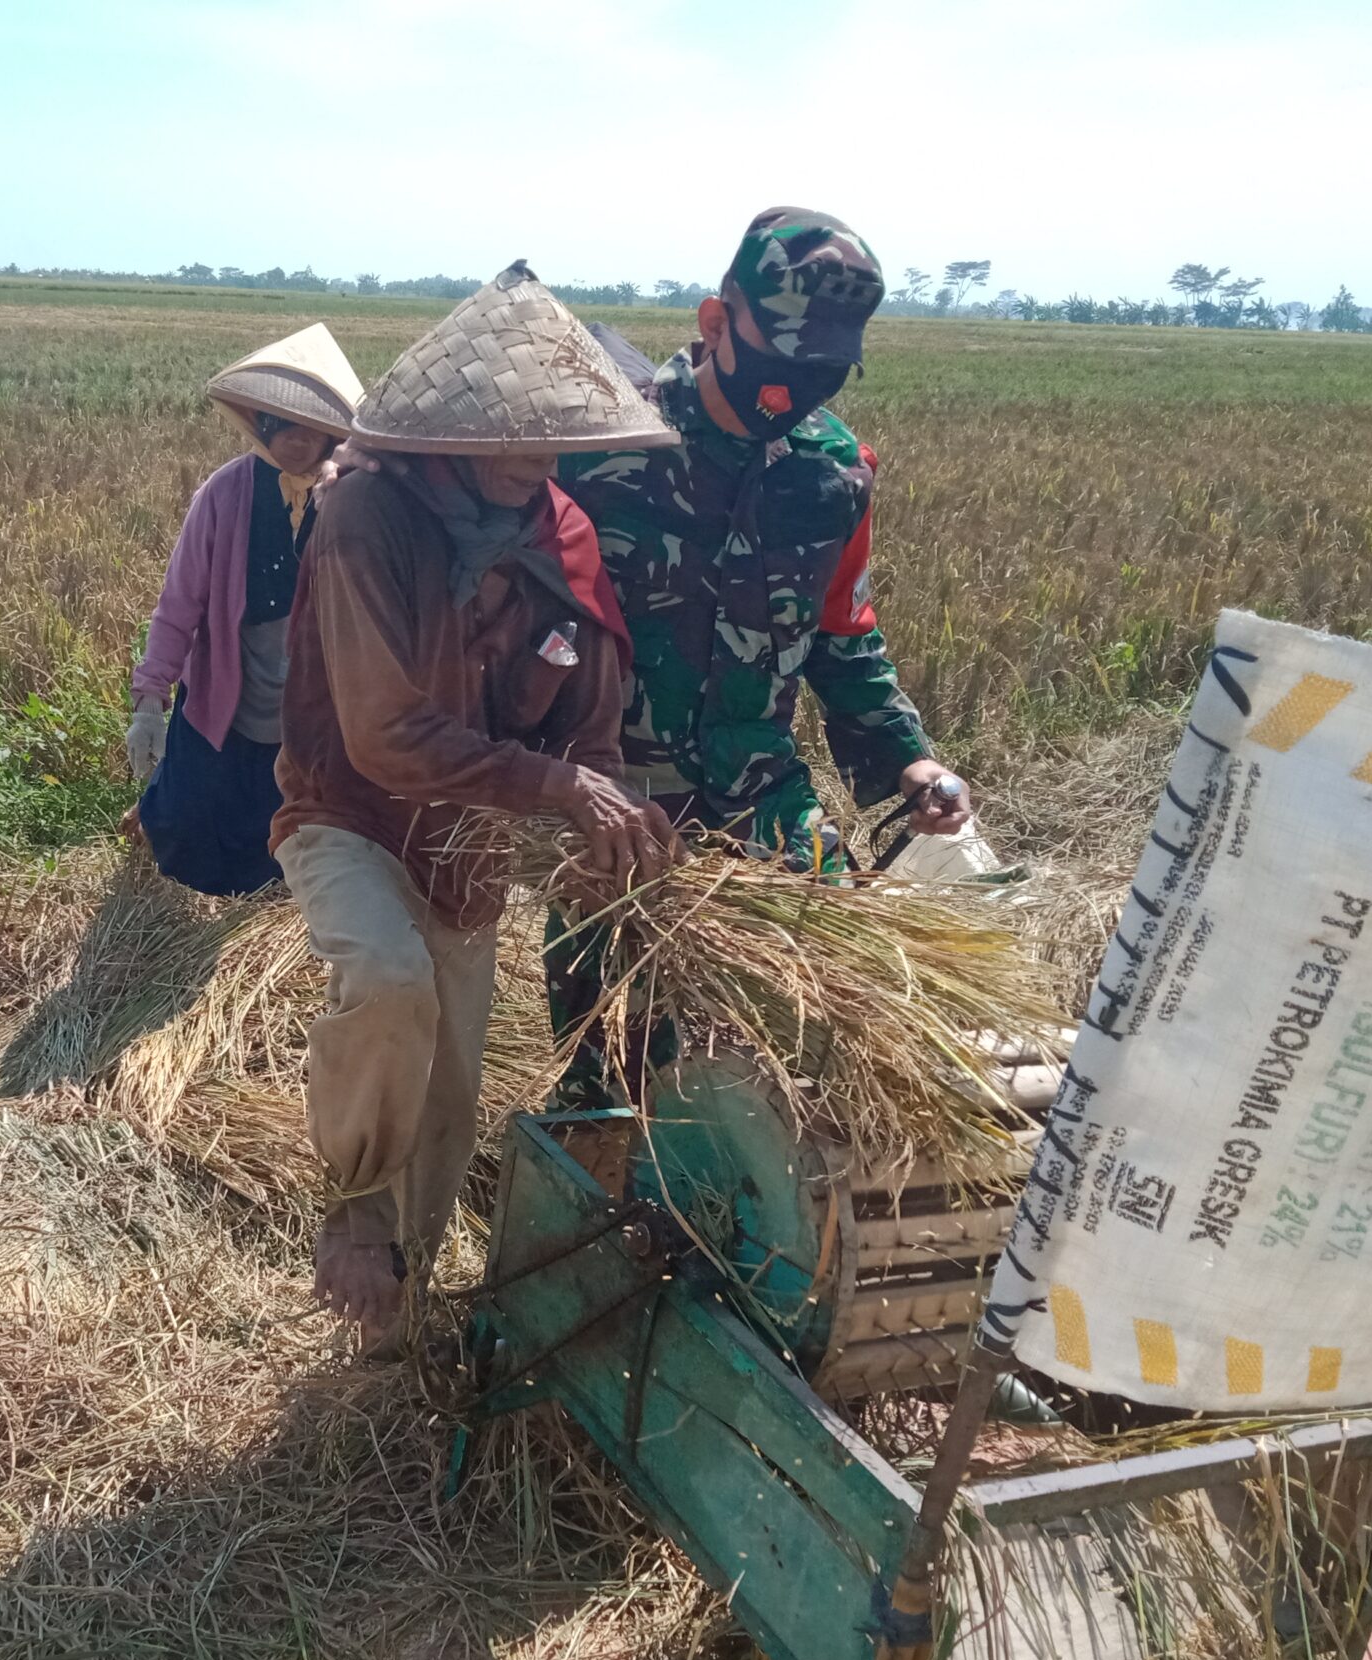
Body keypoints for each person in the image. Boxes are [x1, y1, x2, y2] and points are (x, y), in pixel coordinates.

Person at [272, 265, 682, 1347]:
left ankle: (393, 1321)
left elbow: (587, 724)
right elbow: (385, 735)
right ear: (449, 430)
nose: (534, 463)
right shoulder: (367, 514)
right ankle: (355, 1215)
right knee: (389, 979)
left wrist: (593, 817)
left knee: (451, 1092)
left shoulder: (567, 538)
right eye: (512, 436)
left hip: (471, 842)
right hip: (348, 810)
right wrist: (554, 787)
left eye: (556, 441)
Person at [549, 208, 974, 1092]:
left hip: (762, 791)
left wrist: (913, 764)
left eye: (821, 372)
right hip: (618, 809)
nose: (796, 392)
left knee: (831, 1029)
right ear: (715, 324)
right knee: (614, 1067)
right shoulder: (597, 445)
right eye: (781, 365)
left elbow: (843, 634)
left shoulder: (832, 476)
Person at [127, 325, 363, 894]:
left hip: (310, 692)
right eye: (282, 423)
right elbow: (179, 602)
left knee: (278, 828)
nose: (295, 439)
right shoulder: (225, 493)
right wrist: (150, 699)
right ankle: (148, 833)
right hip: (229, 683)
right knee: (189, 813)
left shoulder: (354, 500)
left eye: (312, 427)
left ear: (333, 433)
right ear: (261, 422)